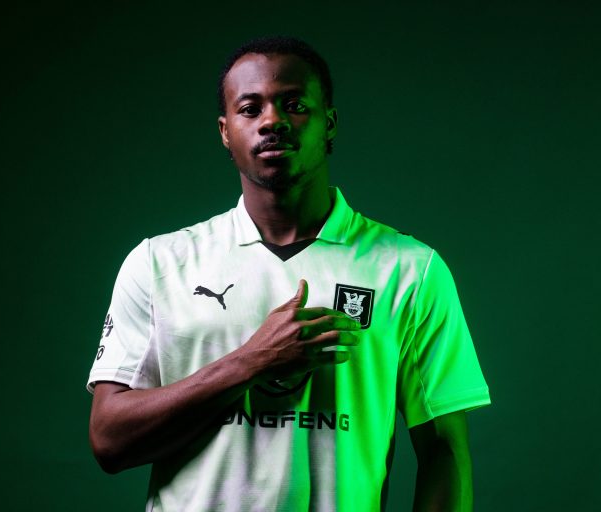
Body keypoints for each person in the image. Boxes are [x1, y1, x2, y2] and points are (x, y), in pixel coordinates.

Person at [87, 35, 491, 512]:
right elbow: (109, 441)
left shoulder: (409, 269)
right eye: (250, 109)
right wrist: (251, 362)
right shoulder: (159, 262)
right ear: (225, 131)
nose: (272, 121)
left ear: (330, 123)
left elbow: (444, 450)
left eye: (295, 105)